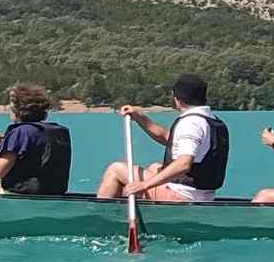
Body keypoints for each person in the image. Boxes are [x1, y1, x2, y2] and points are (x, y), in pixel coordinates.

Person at [96, 74, 229, 202]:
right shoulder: (211, 120)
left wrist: (144, 185)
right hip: (201, 195)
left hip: (183, 197)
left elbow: (183, 164)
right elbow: (168, 138)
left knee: (115, 169)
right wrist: (139, 117)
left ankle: (101, 219)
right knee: (155, 167)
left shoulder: (191, 123)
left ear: (177, 98)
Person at [0, 83, 71, 195]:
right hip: (54, 192)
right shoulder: (59, 131)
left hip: (24, 195)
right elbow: (31, 162)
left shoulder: (21, 132)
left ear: (16, 109)